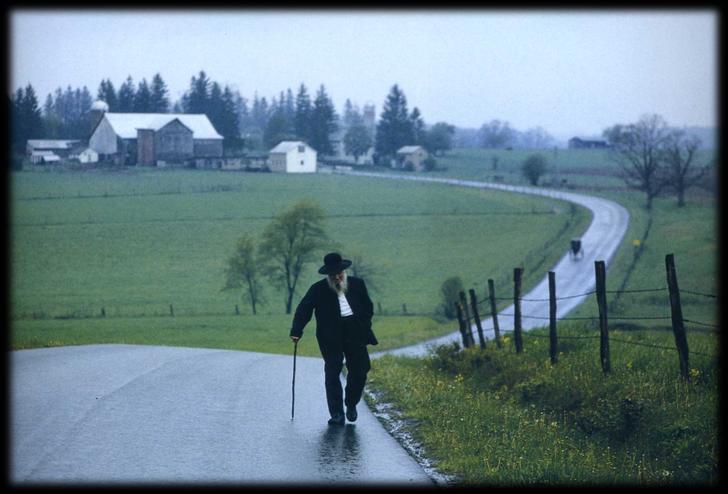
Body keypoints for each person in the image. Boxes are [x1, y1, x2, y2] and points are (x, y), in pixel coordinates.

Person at [290, 252, 378, 425]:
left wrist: (363, 324)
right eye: (333, 275)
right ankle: (337, 413)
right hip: (330, 335)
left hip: (355, 332)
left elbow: (368, 307)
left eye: (340, 273)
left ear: (344, 272)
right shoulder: (318, 289)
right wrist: (296, 330)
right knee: (332, 372)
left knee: (360, 370)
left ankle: (351, 403)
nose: (337, 277)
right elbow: (304, 309)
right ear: (328, 275)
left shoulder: (358, 284)